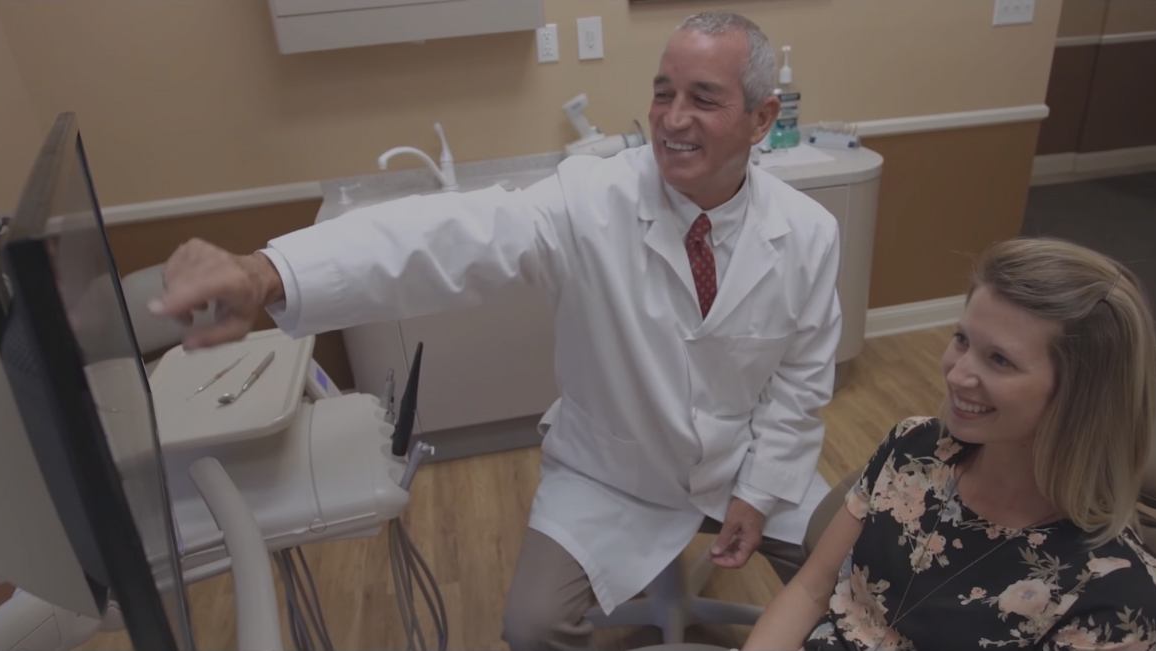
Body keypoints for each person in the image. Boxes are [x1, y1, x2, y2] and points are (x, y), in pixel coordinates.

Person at [151, 12, 843, 650]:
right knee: (532, 627)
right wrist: (270, 273)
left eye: (703, 98)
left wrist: (759, 487)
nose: (672, 119)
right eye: (663, 93)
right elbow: (448, 239)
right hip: (614, 475)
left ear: (762, 119)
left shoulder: (808, 234)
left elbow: (801, 379)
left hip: (741, 465)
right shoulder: (588, 200)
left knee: (860, 565)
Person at [744, 237, 1156, 651]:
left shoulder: (1118, 594)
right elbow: (811, 590)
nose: (956, 374)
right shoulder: (913, 448)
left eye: (1000, 360)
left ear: (1083, 396)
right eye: (962, 340)